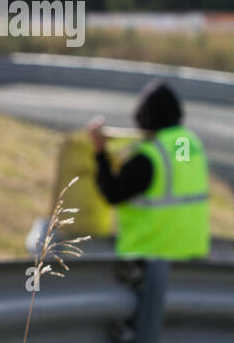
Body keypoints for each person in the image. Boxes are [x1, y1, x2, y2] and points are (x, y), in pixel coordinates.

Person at [87, 80, 209, 260]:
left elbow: (112, 192)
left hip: (150, 259)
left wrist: (100, 153)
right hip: (191, 260)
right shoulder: (190, 142)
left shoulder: (149, 157)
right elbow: (178, 167)